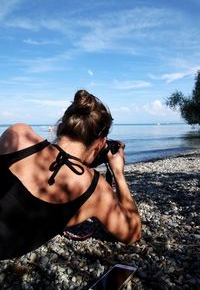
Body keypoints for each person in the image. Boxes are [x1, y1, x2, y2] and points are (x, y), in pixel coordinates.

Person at [0, 90, 141, 260]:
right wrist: (118, 172)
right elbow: (132, 233)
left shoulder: (18, 134)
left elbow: (51, 154)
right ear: (100, 143)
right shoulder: (95, 190)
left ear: (60, 127)